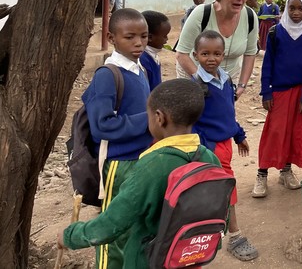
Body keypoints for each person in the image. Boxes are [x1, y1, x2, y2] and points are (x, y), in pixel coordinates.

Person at [59, 79, 221, 268]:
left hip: (148, 260)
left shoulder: (153, 166)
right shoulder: (209, 158)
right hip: (187, 258)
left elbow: (112, 224)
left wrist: (69, 236)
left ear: (160, 118)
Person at [81, 8, 153, 268]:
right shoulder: (107, 75)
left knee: (138, 224)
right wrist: (150, 118)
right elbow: (102, 126)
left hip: (142, 159)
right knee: (114, 226)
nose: (138, 43)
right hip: (118, 165)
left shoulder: (139, 69)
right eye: (130, 37)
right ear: (112, 38)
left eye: (144, 37)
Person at [190, 30, 258, 261]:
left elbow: (229, 112)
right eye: (205, 53)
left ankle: (208, 231)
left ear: (224, 54)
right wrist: (203, 149)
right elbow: (192, 123)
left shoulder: (226, 79)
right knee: (225, 187)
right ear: (195, 55)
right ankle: (234, 234)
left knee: (215, 189)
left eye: (217, 53)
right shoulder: (196, 87)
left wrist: (239, 135)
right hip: (209, 147)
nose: (211, 58)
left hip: (226, 144)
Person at [254, 0, 302, 197]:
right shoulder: (276, 32)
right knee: (274, 131)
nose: (297, 12)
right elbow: (268, 64)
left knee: (294, 133)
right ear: (286, 9)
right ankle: (261, 173)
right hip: (280, 92)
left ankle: (286, 170)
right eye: (292, 8)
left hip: (301, 94)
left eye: (301, 8)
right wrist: (266, 92)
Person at [175, 0, 258, 94]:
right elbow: (181, 54)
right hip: (194, 76)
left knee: (222, 112)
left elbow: (250, 54)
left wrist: (241, 85)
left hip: (228, 79)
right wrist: (202, 81)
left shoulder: (250, 16)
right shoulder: (201, 13)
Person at [140, 10, 171, 91]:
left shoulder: (153, 55)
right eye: (165, 36)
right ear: (150, 37)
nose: (167, 39)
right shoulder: (142, 60)